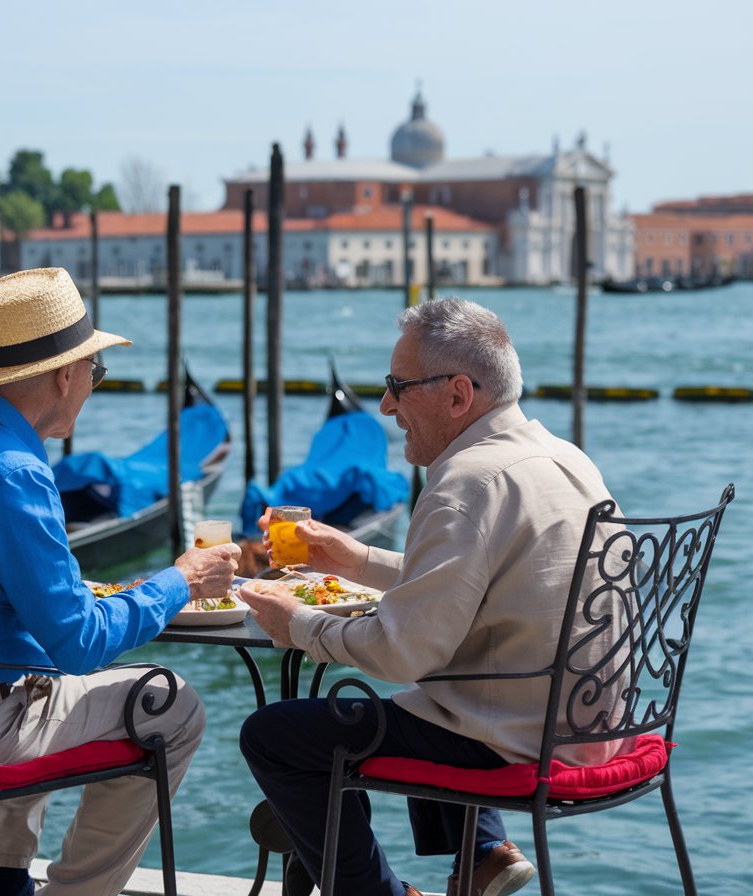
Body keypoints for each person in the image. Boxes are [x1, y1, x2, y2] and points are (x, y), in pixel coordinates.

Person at [0, 267, 241, 896]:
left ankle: (3, 880)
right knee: (174, 705)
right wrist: (180, 582)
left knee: (34, 682)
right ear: (64, 375)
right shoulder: (14, 471)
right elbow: (79, 643)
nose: (91, 387)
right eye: (95, 374)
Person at [239, 297, 621, 896]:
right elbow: (477, 581)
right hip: (593, 726)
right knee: (430, 692)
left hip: (515, 739)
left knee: (275, 735)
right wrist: (358, 561)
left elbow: (402, 651)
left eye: (397, 386)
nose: (387, 405)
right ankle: (482, 855)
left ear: (458, 395)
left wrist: (301, 624)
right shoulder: (564, 457)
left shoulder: (467, 482)